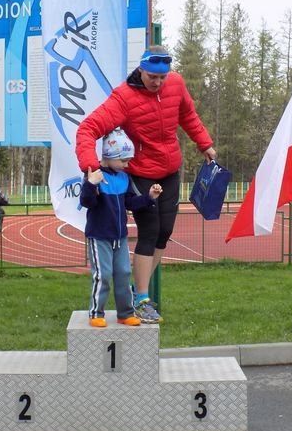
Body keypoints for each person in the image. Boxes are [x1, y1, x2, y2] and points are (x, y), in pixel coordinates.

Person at [75, 45, 216, 323]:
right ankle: (141, 299)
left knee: (164, 232)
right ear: (141, 70)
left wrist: (205, 144)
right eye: (152, 77)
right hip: (141, 172)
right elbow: (87, 129)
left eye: (162, 77)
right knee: (150, 231)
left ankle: (134, 291)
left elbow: (188, 115)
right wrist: (91, 167)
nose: (158, 82)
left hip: (170, 171)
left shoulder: (176, 84)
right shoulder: (124, 97)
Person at [80, 128, 163, 327]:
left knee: (124, 273)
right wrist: (91, 184)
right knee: (102, 275)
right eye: (124, 160)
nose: (127, 164)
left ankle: (125, 313)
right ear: (110, 156)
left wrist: (149, 197)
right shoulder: (95, 176)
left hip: (120, 237)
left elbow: (130, 202)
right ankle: (96, 313)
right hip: (99, 237)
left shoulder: (124, 178)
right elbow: (86, 202)